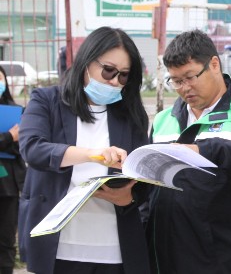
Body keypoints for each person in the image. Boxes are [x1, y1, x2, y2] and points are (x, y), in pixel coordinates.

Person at [18, 27, 151, 274]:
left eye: (123, 76)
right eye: (108, 70)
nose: (114, 81)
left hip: (114, 247)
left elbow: (142, 178)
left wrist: (128, 198)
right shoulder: (47, 100)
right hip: (58, 245)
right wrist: (91, 154)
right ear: (87, 61)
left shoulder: (130, 115)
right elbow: (33, 148)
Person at [147, 29, 231, 273]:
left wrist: (201, 151)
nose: (184, 88)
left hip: (219, 256)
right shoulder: (162, 120)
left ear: (214, 64)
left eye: (190, 77)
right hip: (163, 254)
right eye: (176, 81)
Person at [0, 66, 26, 274]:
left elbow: (26, 146)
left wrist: (15, 140)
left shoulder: (15, 111)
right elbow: (12, 140)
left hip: (8, 183)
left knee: (7, 237)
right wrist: (8, 138)